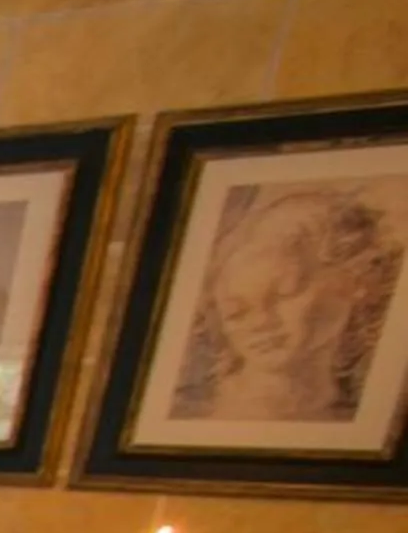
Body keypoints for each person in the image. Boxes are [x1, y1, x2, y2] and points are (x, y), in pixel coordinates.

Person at [172, 181, 406, 425]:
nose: (260, 323)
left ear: (357, 280)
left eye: (285, 293)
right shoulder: (198, 413)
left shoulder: (372, 406)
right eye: (237, 313)